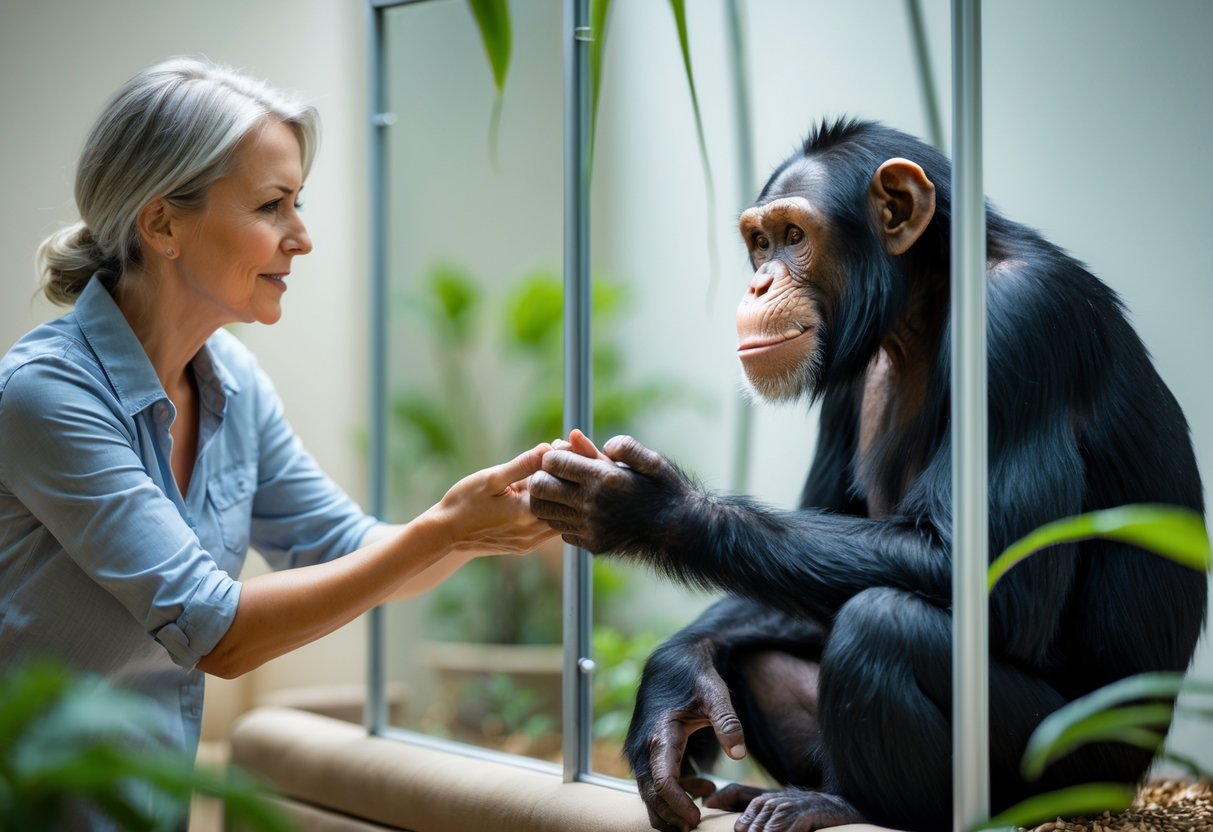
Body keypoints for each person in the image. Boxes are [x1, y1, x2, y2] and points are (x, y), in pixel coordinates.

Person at [0, 57, 556, 825]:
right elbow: (213, 634)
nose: (303, 238)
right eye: (272, 206)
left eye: (299, 203)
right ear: (161, 223)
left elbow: (350, 552)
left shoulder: (234, 382)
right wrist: (443, 530)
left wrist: (499, 518)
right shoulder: (46, 395)